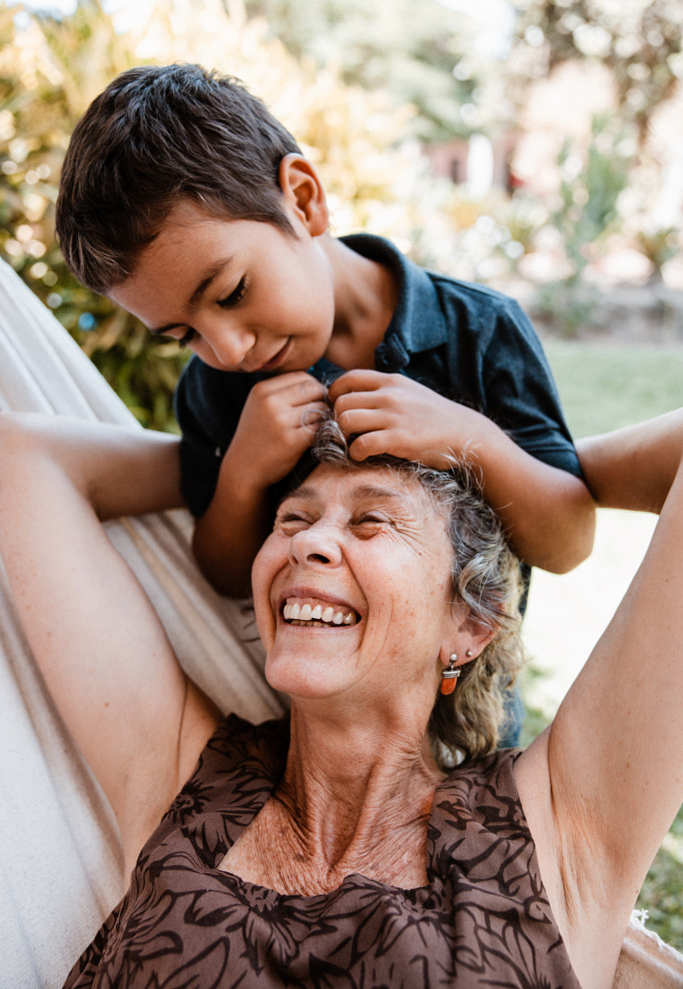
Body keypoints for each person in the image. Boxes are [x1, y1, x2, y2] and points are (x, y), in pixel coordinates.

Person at [0, 404, 680, 989]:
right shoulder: (185, 777)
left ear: (471, 624)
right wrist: (232, 464)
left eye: (370, 522)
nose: (309, 543)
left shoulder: (559, 827)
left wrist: (517, 463)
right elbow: (22, 456)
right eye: (292, 519)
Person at [54, 63, 595, 607]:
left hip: (469, 662)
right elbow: (225, 579)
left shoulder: (480, 329)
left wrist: (467, 439)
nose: (229, 350)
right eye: (183, 334)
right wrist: (241, 476)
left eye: (233, 292)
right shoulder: (214, 388)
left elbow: (569, 542)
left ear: (304, 200)